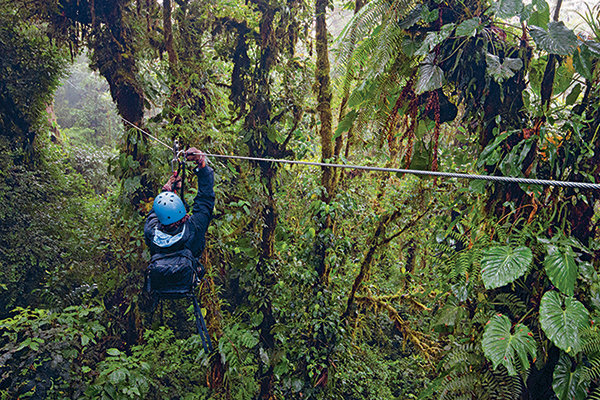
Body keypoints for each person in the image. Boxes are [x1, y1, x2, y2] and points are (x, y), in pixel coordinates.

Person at [144, 147, 215, 295]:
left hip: (161, 280)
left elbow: (154, 213)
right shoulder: (194, 228)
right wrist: (201, 163)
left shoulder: (151, 231)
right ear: (182, 212)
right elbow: (205, 200)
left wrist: (167, 190)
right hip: (186, 279)